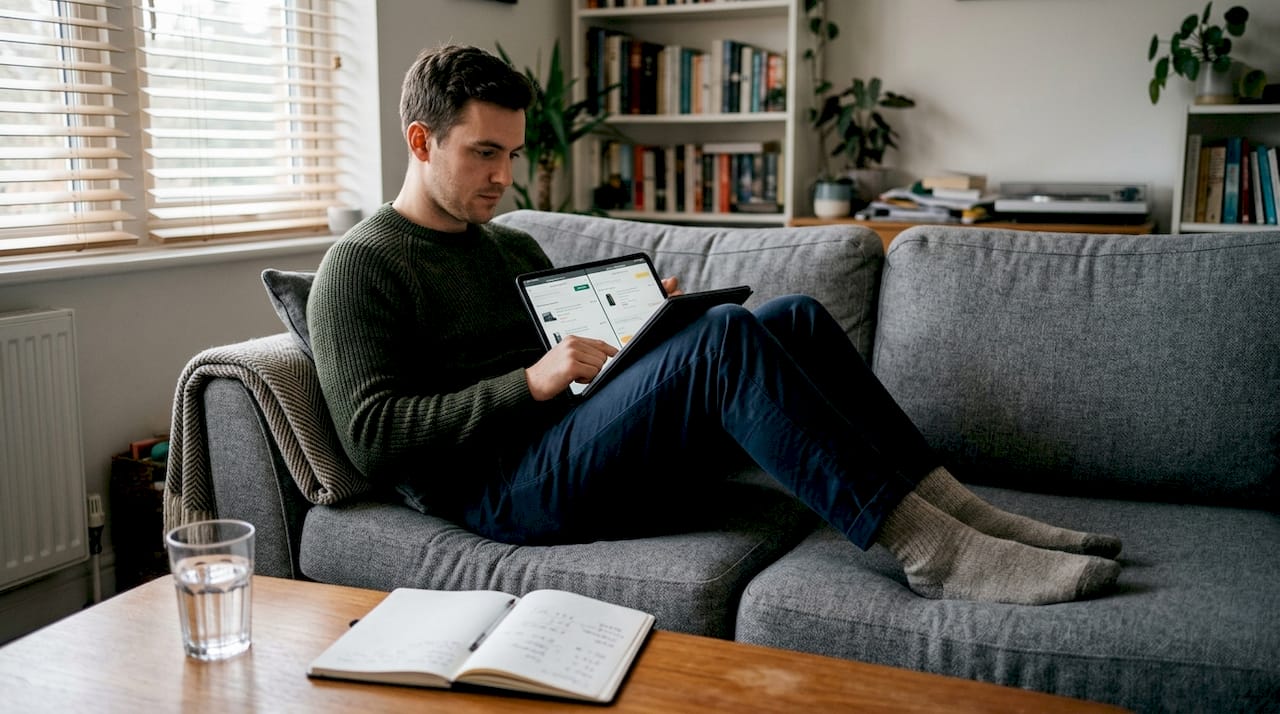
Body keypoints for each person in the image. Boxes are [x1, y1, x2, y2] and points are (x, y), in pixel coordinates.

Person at [308, 44, 1122, 606]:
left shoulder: (508, 243)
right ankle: (933, 552)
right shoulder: (364, 265)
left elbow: (572, 355)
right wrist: (531, 381)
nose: (504, 176)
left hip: (567, 437)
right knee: (727, 339)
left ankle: (959, 511)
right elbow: (374, 437)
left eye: (512, 155)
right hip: (498, 492)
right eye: (485, 154)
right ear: (421, 140)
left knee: (794, 320)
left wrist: (640, 329)